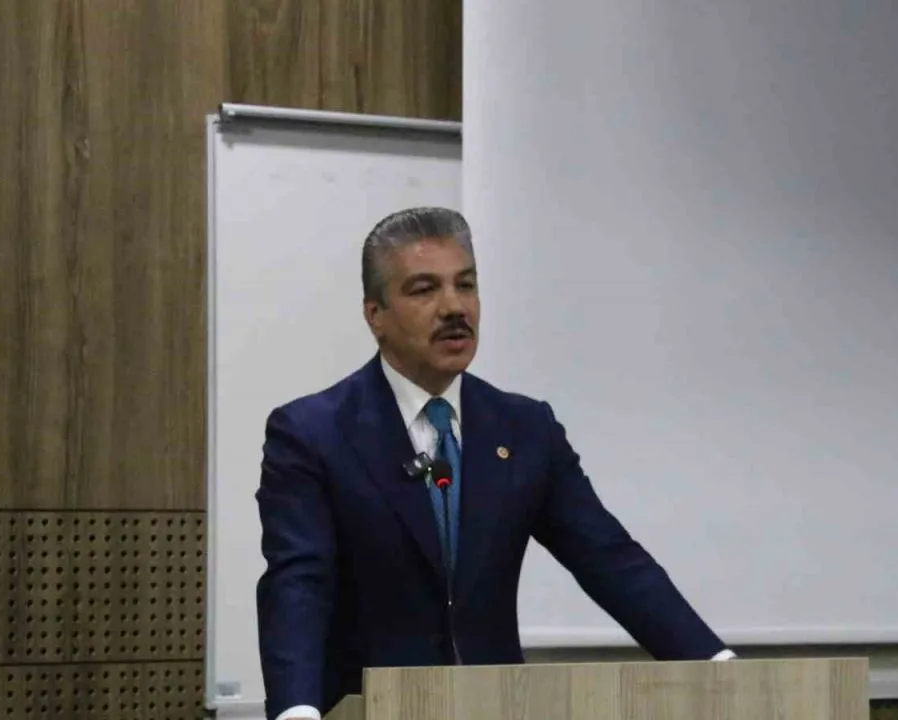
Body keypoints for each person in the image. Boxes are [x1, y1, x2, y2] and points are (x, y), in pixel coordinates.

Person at [255, 207, 732, 720]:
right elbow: (298, 582)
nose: (453, 307)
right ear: (376, 315)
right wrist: (296, 710)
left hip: (497, 705)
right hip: (368, 707)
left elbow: (609, 559)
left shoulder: (525, 428)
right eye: (424, 290)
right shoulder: (312, 433)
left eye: (466, 285)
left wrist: (717, 667)